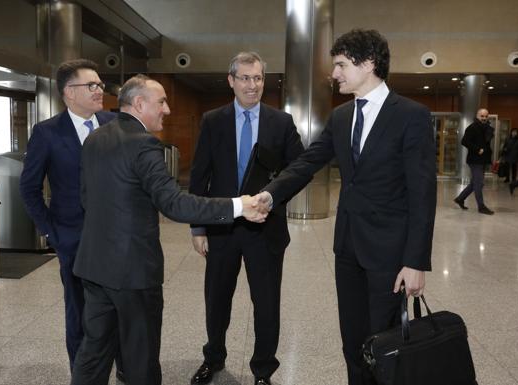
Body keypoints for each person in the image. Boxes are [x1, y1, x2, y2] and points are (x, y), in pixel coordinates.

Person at [254, 29, 437, 385]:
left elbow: (422, 193)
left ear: (368, 63)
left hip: (390, 253)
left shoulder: (411, 115)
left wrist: (416, 261)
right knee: (352, 343)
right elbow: (308, 162)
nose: (334, 73)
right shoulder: (342, 117)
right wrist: (271, 194)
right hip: (348, 249)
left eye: (340, 64)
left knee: (384, 344)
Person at [70, 74, 267, 385]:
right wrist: (238, 205)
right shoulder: (143, 143)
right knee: (140, 358)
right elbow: (174, 204)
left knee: (93, 353)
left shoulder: (96, 137)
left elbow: (85, 198)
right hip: (133, 273)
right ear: (138, 103)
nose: (167, 109)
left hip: (94, 266)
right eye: (161, 102)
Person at [187, 52, 304, 385]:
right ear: (231, 80)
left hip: (265, 229)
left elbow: (299, 170)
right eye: (245, 78)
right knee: (217, 299)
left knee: (266, 305)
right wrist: (198, 226)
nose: (252, 85)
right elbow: (199, 177)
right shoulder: (212, 121)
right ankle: (214, 358)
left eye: (258, 79)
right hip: (222, 228)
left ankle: (264, 370)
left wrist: (273, 197)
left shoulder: (281, 122)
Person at [19, 59, 117, 371]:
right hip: (73, 239)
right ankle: (83, 373)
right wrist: (51, 232)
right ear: (68, 93)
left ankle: (123, 366)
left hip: (118, 237)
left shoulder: (115, 123)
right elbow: (29, 188)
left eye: (100, 84)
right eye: (91, 85)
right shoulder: (47, 133)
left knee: (120, 308)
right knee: (80, 311)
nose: (99, 90)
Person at [453, 108, 495, 215]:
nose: (484, 118)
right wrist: (477, 149)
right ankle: (481, 207)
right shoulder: (472, 128)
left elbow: (486, 142)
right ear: (477, 116)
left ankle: (460, 199)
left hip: (483, 159)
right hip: (475, 160)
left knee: (475, 183)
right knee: (479, 184)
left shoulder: (488, 128)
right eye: (482, 116)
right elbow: (464, 141)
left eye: (486, 116)